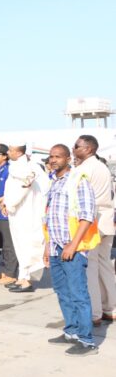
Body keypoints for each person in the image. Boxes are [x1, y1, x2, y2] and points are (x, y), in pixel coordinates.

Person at [43, 144, 99, 355]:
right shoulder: (54, 183)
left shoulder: (78, 181)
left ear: (68, 158)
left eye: (58, 156)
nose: (53, 160)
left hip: (72, 249)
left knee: (78, 294)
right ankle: (71, 332)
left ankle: (86, 341)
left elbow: (86, 216)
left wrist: (73, 245)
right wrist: (48, 247)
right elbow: (49, 218)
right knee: (62, 293)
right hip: (57, 248)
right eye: (51, 156)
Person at [72, 135, 115, 325]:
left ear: (88, 149)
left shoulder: (84, 169)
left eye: (76, 146)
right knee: (104, 265)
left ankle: (94, 313)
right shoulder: (102, 166)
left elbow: (76, 200)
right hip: (106, 220)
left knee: (90, 268)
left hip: (92, 222)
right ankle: (110, 308)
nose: (73, 149)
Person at [3, 144, 46, 293]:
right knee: (20, 246)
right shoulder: (16, 166)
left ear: (18, 151)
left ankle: (26, 280)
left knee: (26, 245)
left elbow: (24, 186)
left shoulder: (25, 167)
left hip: (24, 213)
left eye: (10, 150)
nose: (8, 152)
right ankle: (22, 277)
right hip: (17, 212)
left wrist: (10, 204)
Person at [0, 144, 18, 285]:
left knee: (8, 243)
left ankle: (11, 273)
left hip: (5, 211)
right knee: (1, 242)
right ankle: (6, 270)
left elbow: (11, 192)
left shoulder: (9, 170)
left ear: (4, 155)